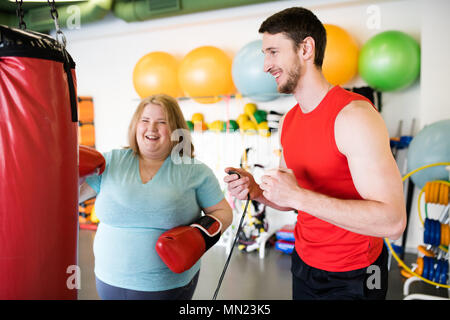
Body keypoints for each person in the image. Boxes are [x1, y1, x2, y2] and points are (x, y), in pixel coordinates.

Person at [224, 7, 406, 300]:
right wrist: (256, 190)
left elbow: (393, 221)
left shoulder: (354, 116)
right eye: (264, 54)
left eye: (273, 52)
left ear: (306, 48)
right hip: (304, 264)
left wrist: (297, 197)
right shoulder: (290, 120)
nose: (265, 65)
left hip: (357, 274)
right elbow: (290, 197)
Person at [79, 94, 232, 300]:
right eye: (145, 120)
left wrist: (200, 235)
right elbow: (71, 199)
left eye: (162, 122)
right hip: (108, 279)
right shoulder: (110, 161)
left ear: (176, 129)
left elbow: (223, 212)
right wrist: (65, 171)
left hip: (166, 285)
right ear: (136, 125)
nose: (152, 128)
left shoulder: (194, 171)